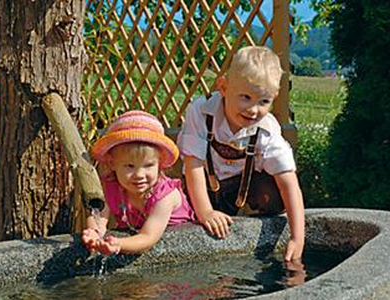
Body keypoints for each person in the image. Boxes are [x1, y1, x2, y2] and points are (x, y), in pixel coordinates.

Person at [177, 46, 305, 261]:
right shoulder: (201, 111)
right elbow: (194, 165)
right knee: (186, 219)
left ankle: (256, 225)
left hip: (241, 189)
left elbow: (289, 183)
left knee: (274, 193)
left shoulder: (267, 129)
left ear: (274, 98)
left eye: (264, 102)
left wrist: (297, 238)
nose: (253, 110)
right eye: (245, 97)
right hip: (201, 185)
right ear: (224, 87)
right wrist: (205, 212)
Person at [82, 110, 195, 255]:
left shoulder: (166, 196)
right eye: (129, 166)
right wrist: (94, 233)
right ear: (112, 163)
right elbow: (99, 216)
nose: (139, 175)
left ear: (159, 164)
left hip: (181, 249)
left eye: (148, 166)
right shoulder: (112, 187)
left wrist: (118, 244)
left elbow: (148, 237)